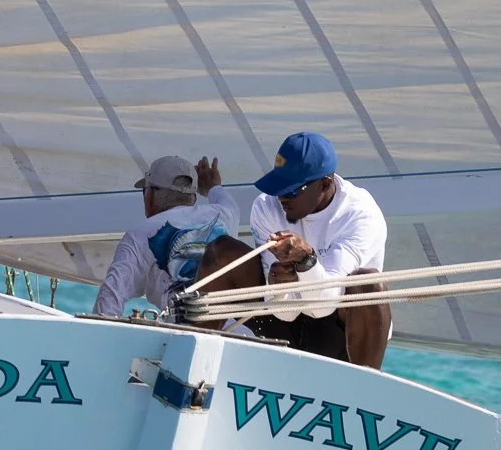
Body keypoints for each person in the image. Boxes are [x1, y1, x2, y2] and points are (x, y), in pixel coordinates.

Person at [239, 132, 390, 368]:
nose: (281, 198)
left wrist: (306, 261)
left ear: (325, 184)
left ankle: (365, 389)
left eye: (290, 191)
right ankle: (191, 363)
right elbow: (283, 313)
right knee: (221, 252)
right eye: (278, 187)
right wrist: (279, 284)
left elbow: (322, 308)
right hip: (284, 319)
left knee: (368, 284)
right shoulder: (265, 207)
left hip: (336, 332)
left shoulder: (360, 214)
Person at [92, 155, 238, 317]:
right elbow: (219, 192)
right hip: (240, 326)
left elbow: (111, 294)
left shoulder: (140, 234)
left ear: (150, 195)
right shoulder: (226, 213)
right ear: (194, 197)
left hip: (187, 328)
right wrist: (212, 186)